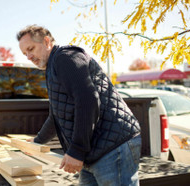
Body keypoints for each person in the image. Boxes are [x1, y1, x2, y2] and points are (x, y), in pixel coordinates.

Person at [17, 24, 142, 186]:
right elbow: (56, 114)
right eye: (25, 53)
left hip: (113, 147)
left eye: (31, 49)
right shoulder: (52, 67)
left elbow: (88, 100)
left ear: (47, 42)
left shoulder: (65, 58)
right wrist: (37, 141)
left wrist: (76, 150)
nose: (28, 56)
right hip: (92, 153)